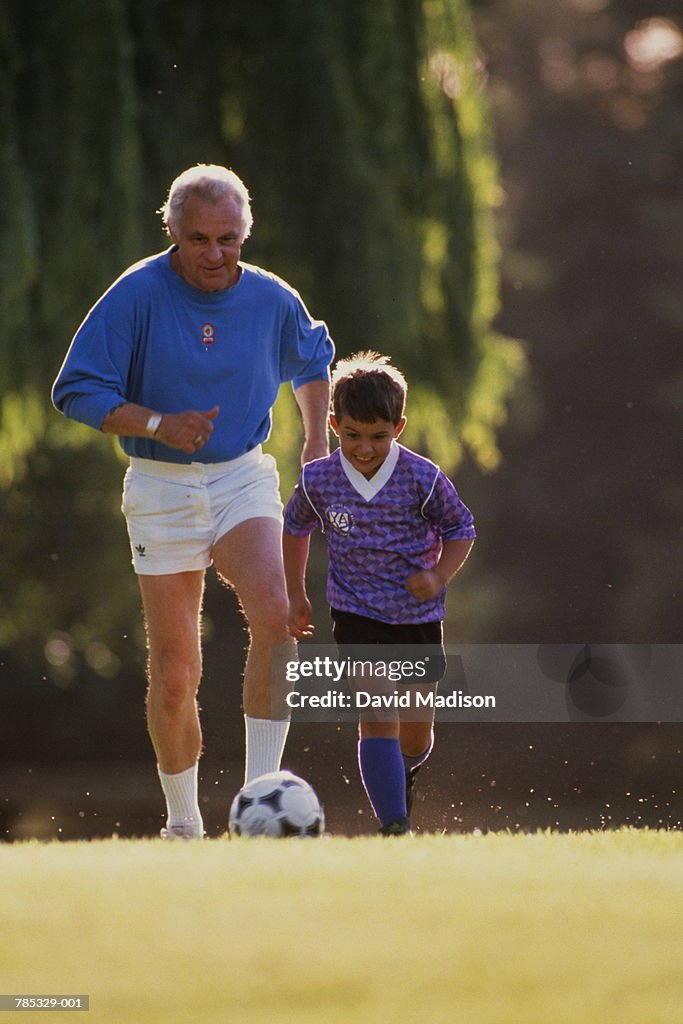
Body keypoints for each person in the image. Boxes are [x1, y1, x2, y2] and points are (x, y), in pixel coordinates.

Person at [52, 164, 333, 839]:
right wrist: (157, 424)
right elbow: (75, 390)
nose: (215, 254)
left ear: (245, 235)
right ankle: (183, 827)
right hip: (160, 488)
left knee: (274, 613)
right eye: (199, 238)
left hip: (241, 477)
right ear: (172, 231)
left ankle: (258, 802)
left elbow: (313, 359)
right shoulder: (135, 295)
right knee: (176, 674)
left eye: (229, 239)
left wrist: (315, 444)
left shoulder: (270, 298)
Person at [282, 351, 475, 835]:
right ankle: (394, 826)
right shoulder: (318, 479)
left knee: (415, 730)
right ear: (333, 424)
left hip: (417, 617)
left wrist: (438, 577)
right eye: (351, 435)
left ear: (399, 427)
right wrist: (295, 594)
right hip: (356, 613)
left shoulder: (423, 478)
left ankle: (402, 775)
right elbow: (294, 528)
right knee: (376, 716)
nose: (364, 448)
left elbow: (462, 529)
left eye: (377, 437)